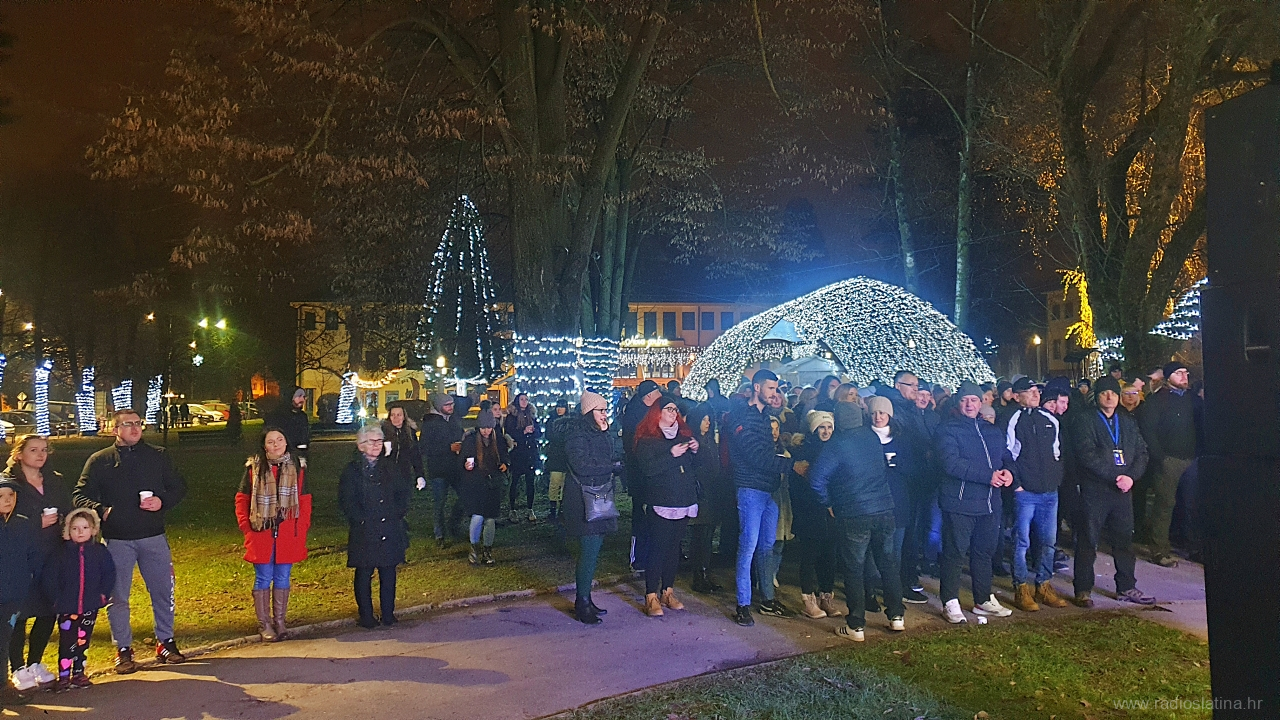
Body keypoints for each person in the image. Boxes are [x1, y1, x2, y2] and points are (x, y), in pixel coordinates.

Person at [73, 408, 189, 673]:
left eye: (138, 423)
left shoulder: (157, 455)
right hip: (117, 539)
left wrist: (162, 501)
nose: (135, 428)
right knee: (118, 596)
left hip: (153, 535)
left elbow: (179, 486)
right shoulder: (100, 460)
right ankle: (123, 649)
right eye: (128, 424)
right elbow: (79, 495)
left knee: (162, 592)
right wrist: (102, 510)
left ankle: (166, 641)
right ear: (115, 429)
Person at [809, 401, 906, 641]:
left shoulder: (836, 444)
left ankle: (856, 626)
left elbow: (816, 479)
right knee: (888, 563)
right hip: (884, 508)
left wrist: (828, 503)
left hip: (854, 512)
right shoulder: (872, 438)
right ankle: (896, 616)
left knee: (854, 568)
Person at [726, 369, 802, 626]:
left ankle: (767, 600)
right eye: (771, 388)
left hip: (767, 491)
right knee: (748, 546)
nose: (775, 393)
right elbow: (756, 456)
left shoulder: (764, 416)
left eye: (776, 389)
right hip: (750, 490)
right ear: (757, 388)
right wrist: (792, 466)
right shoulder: (742, 417)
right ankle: (743, 604)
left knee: (767, 547)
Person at [935, 383, 1016, 624]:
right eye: (964, 400)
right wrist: (987, 476)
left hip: (990, 504)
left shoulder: (991, 430)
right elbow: (951, 463)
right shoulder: (948, 430)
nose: (969, 404)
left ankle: (983, 599)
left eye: (973, 399)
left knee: (984, 553)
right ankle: (950, 601)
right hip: (959, 503)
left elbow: (1007, 456)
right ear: (958, 403)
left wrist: (1010, 473)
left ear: (981, 403)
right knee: (954, 554)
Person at [1072, 376, 1156, 606]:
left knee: (1124, 541)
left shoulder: (1127, 421)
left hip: (1123, 490)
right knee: (1088, 540)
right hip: (1096, 490)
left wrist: (1131, 476)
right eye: (1104, 393)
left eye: (1113, 393)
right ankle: (1083, 589)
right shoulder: (1085, 420)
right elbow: (1086, 454)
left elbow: (1142, 452)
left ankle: (1126, 586)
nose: (1109, 397)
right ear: (1097, 396)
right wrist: (1115, 476)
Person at [7, 435, 72, 690]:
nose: (40, 454)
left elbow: (67, 507)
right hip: (21, 557)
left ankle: (35, 662)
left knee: (48, 610)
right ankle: (17, 667)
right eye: (33, 450)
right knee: (20, 613)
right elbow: (6, 518)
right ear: (19, 454)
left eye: (44, 450)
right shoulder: (9, 484)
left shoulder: (55, 480)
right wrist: (36, 523)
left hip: (52, 554)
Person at [234, 427, 311, 641]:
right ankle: (265, 624)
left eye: (279, 440)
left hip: (288, 533)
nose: (276, 444)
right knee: (263, 577)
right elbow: (242, 499)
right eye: (270, 441)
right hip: (261, 532)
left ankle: (280, 621)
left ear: (286, 443)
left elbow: (305, 500)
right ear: (264, 445)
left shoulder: (297, 467)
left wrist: (302, 526)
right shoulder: (254, 469)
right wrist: (246, 526)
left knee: (283, 577)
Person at [1002, 379, 1070, 612]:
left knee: (1048, 541)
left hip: (1049, 492)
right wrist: (1017, 484)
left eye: (1036, 391)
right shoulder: (1012, 418)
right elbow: (1008, 452)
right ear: (1016, 396)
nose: (1035, 394)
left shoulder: (1049, 419)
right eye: (1029, 391)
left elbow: (1057, 452)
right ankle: (1021, 586)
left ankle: (1044, 584)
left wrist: (1055, 480)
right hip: (1026, 492)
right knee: (1021, 541)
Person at [632, 395, 700, 616]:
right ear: (657, 413)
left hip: (683, 499)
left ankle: (667, 590)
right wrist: (671, 455)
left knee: (673, 547)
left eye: (675, 410)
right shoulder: (647, 440)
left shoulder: (683, 436)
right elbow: (648, 469)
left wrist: (697, 450)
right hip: (661, 500)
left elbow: (696, 467)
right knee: (658, 547)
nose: (673, 413)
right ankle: (651, 594)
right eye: (668, 409)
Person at [339, 424, 410, 628]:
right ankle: (366, 616)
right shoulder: (352, 470)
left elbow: (402, 493)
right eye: (372, 441)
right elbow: (346, 500)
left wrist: (397, 513)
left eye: (379, 441)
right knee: (364, 572)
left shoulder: (390, 467)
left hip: (389, 526)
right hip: (365, 529)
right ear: (361, 445)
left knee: (388, 571)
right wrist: (359, 519)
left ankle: (388, 613)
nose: (377, 445)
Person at [41, 508, 115, 690]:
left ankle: (79, 673)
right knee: (67, 641)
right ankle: (64, 675)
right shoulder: (61, 553)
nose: (80, 532)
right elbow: (50, 577)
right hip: (67, 607)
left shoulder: (100, 552)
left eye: (85, 528)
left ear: (93, 530)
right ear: (68, 531)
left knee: (83, 640)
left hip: (90, 605)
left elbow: (109, 574)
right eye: (75, 528)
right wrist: (56, 600)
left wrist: (103, 595)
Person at [563, 392, 621, 624]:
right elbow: (581, 465)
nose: (605, 415)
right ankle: (582, 602)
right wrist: (611, 466)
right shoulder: (577, 434)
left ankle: (586, 597)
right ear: (589, 412)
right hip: (583, 499)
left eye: (606, 410)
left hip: (599, 495)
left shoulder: (600, 432)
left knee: (594, 550)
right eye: (601, 411)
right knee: (588, 551)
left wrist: (608, 437)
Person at [1136, 361, 1196, 567]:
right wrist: (1160, 457)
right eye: (1179, 373)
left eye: (1186, 373)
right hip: (1169, 460)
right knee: (1164, 505)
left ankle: (1190, 544)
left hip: (1191, 458)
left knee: (1190, 503)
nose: (1184, 376)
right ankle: (1159, 549)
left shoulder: (1191, 399)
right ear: (1168, 376)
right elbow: (1148, 430)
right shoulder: (1157, 400)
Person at [789, 410, 841, 619]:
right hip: (810, 512)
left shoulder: (836, 449)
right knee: (810, 556)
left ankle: (826, 596)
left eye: (829, 427)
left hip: (830, 512)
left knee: (829, 556)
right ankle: (808, 599)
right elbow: (801, 485)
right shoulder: (804, 453)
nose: (826, 431)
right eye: (821, 427)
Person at [0, 477, 41, 707]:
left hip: (13, 596)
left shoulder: (23, 524)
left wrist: (28, 580)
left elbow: (33, 556)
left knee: (3, 641)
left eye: (11, 495)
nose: (7, 500)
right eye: (1, 496)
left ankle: (3, 687)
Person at [686, 403, 730, 594]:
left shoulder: (710, 440)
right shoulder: (694, 441)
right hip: (701, 494)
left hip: (712, 493)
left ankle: (704, 572)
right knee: (701, 537)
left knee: (707, 536)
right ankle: (699, 575)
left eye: (709, 420)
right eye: (704, 419)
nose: (707, 423)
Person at [621, 380, 663, 572]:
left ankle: (650, 556)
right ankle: (638, 558)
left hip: (650, 474)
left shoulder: (647, 411)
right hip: (640, 474)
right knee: (641, 515)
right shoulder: (636, 415)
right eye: (658, 392)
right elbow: (634, 448)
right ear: (649, 396)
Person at [460, 412, 509, 566]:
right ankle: (474, 549)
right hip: (476, 484)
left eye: (488, 428)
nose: (486, 431)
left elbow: (505, 456)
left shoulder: (498, 439)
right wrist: (466, 465)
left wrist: (505, 464)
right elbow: (462, 460)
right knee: (478, 516)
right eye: (483, 428)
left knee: (490, 518)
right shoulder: (471, 441)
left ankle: (487, 550)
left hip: (493, 484)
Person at [419, 393, 465, 548]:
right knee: (439, 503)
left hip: (456, 468)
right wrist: (448, 448)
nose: (451, 407)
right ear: (439, 406)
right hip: (438, 469)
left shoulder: (454, 420)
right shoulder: (430, 423)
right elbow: (425, 448)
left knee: (465, 496)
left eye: (452, 404)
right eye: (447, 405)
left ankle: (454, 524)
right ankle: (439, 534)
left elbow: (460, 435)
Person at [503, 394, 542, 523]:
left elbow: (539, 432)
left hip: (530, 453)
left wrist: (533, 431)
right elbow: (509, 434)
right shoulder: (512, 417)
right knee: (515, 481)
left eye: (526, 399)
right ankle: (512, 509)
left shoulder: (532, 415)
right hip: (518, 453)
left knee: (530, 481)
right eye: (522, 399)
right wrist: (523, 432)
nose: (524, 401)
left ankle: (530, 508)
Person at [381, 405, 424, 494]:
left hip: (404, 475)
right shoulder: (382, 432)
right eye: (392, 415)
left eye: (399, 415)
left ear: (404, 417)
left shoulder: (410, 433)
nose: (395, 418)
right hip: (385, 476)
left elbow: (416, 455)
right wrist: (385, 452)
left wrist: (419, 475)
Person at [543, 399, 573, 522]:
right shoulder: (551, 421)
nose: (559, 409)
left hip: (566, 456)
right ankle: (553, 509)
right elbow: (549, 436)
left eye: (562, 407)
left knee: (564, 483)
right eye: (558, 407)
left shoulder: (570, 422)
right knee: (555, 483)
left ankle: (561, 509)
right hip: (555, 456)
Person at [266, 388, 311, 457]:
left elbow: (304, 436)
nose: (302, 399)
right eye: (299, 396)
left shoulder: (302, 416)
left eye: (304, 397)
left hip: (299, 455)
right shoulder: (277, 416)